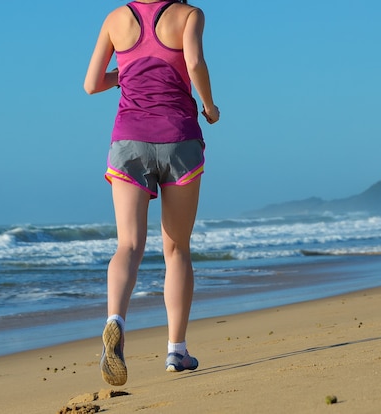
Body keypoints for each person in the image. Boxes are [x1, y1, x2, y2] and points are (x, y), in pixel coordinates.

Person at [84, 0, 219, 386]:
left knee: (128, 245)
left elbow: (91, 84)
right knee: (176, 247)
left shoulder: (116, 18)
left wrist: (124, 74)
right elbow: (193, 63)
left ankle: (115, 321)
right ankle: (177, 350)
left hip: (128, 141)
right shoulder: (189, 15)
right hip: (178, 138)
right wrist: (209, 107)